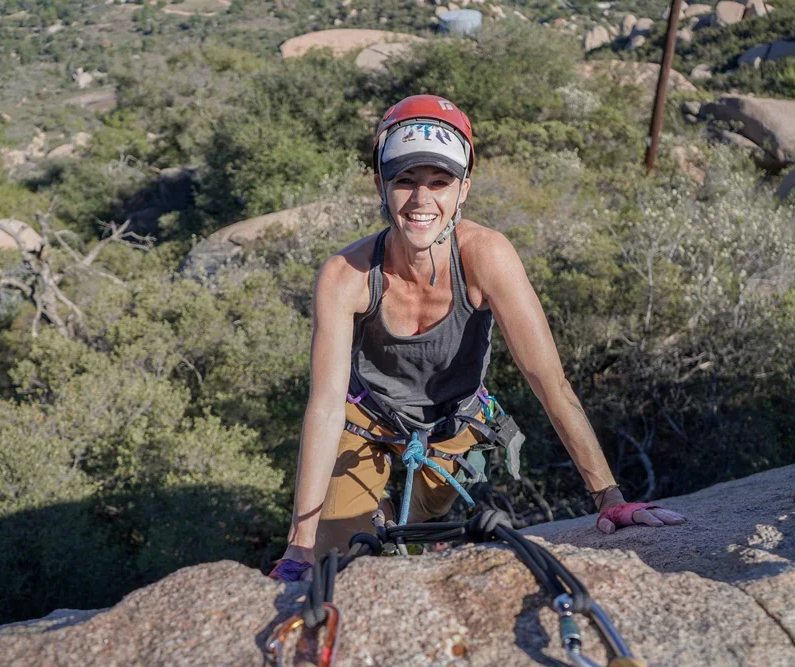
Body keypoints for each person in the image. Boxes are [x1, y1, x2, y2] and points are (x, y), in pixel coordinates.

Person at [269, 95, 684, 582]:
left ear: (463, 189)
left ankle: (389, 522)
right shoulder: (346, 275)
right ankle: (358, 522)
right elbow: (324, 407)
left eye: (440, 182)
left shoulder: (487, 257)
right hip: (365, 421)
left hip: (453, 422)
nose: (422, 201)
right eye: (405, 180)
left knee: (416, 529)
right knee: (341, 561)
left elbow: (550, 382)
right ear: (380, 185)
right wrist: (299, 546)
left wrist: (609, 499)